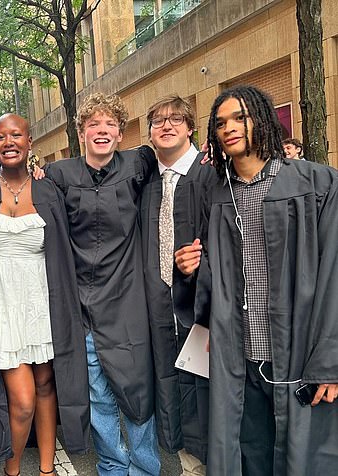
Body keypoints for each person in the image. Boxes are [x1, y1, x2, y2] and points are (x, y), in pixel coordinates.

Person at [0, 94, 160, 476]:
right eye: (93, 125)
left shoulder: (134, 165)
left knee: (131, 387)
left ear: (121, 132)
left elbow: (166, 167)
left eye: (109, 125)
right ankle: (99, 465)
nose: (101, 131)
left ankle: (133, 468)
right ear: (81, 132)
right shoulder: (52, 178)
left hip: (97, 298)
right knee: (81, 394)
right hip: (41, 303)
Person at [176, 85, 338, 475]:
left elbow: (335, 275)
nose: (229, 127)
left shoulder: (316, 184)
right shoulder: (214, 193)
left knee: (303, 461)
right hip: (240, 360)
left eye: (239, 118)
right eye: (220, 122)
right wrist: (189, 271)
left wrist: (330, 363)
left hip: (299, 356)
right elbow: (210, 283)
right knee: (249, 460)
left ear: (263, 121)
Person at [0, 113, 89, 476]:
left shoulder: (49, 189)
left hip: (42, 298)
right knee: (21, 400)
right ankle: (12, 469)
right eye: (1, 136)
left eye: (16, 134)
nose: (9, 142)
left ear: (30, 141)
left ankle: (47, 468)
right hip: (2, 300)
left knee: (47, 384)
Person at [139, 95, 217, 475]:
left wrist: (204, 264)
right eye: (158, 121)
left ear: (190, 127)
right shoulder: (145, 176)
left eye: (175, 119)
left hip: (203, 302)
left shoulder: (212, 173)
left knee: (205, 382)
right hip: (158, 303)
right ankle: (188, 461)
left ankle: (211, 458)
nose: (166, 125)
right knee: (171, 379)